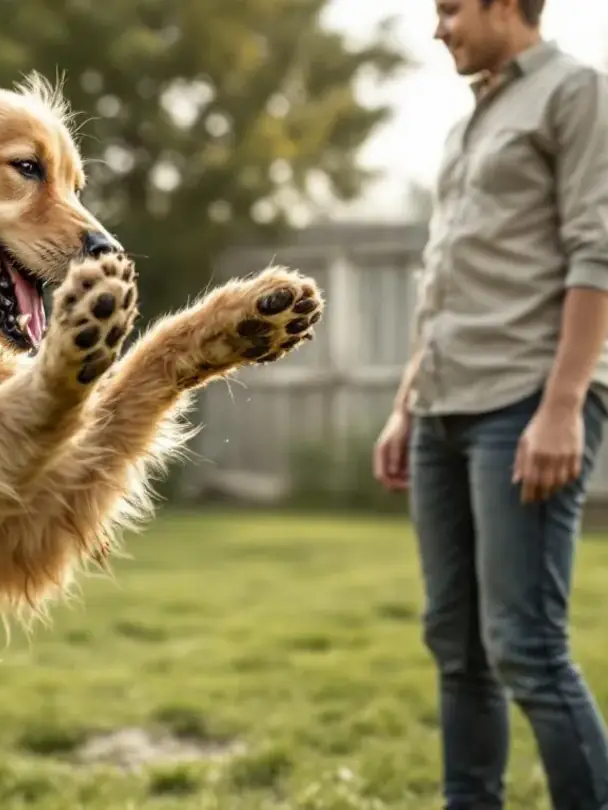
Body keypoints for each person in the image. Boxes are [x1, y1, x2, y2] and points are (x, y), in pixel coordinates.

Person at [372, 1, 608, 808]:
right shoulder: (470, 121)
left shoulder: (576, 94)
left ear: (507, 4)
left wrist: (564, 406)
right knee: (457, 645)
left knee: (526, 648)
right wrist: (408, 404)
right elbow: (443, 280)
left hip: (525, 401)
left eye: (451, 9)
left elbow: (597, 253)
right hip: (443, 403)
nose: (439, 28)